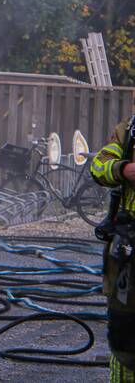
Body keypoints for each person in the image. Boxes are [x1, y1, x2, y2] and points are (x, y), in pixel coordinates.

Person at [90, 116, 135, 382]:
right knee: (125, 336)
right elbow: (98, 166)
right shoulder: (128, 131)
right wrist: (123, 169)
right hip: (129, 252)